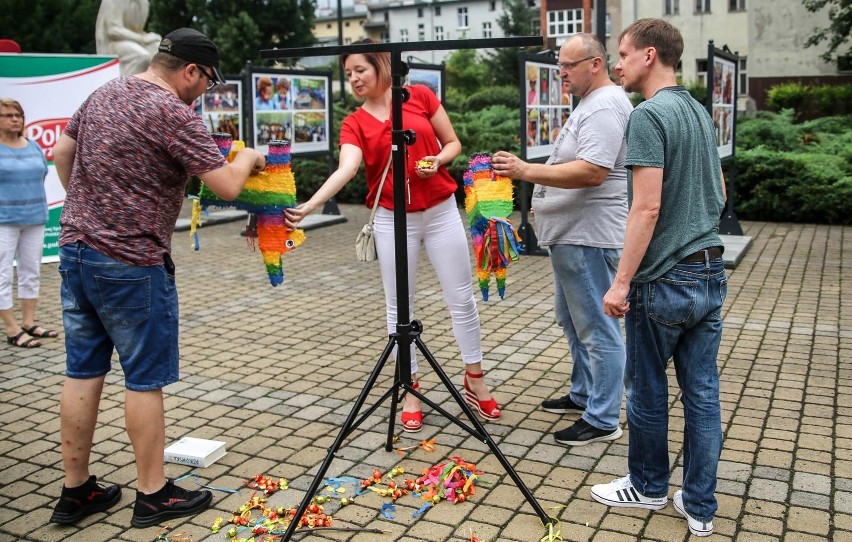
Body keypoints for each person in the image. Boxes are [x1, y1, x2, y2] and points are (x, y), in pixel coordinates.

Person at [50, 28, 266, 528]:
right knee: (144, 379)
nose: (203, 91)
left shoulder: (105, 92)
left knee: (82, 370)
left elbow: (63, 153)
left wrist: (91, 210)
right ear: (191, 70)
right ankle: (153, 494)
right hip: (130, 263)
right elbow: (228, 186)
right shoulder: (172, 112)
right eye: (207, 81)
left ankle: (76, 490)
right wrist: (249, 157)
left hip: (76, 251)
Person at [284, 39, 500, 432]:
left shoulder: (419, 96)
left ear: (381, 66)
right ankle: (410, 387)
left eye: (359, 71)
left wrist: (437, 160)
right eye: (348, 74)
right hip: (391, 218)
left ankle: (475, 376)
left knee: (461, 297)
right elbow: (346, 170)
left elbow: (453, 143)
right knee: (400, 307)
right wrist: (309, 206)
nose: (353, 79)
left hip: (439, 210)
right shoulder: (355, 123)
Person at [589, 19, 727, 539]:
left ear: (650, 55)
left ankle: (647, 487)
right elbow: (718, 191)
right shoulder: (695, 110)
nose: (616, 64)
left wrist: (621, 282)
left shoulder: (648, 116)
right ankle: (700, 507)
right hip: (710, 274)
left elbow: (645, 209)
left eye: (622, 54)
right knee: (703, 394)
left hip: (664, 281)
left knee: (646, 391)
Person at [492, 34, 631, 446]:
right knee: (572, 320)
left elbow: (593, 171)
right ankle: (584, 393)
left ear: (595, 63)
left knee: (597, 329)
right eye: (560, 65)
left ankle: (604, 418)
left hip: (589, 238)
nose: (562, 74)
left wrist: (525, 171)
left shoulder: (605, 105)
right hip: (573, 236)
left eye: (569, 66)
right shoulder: (592, 103)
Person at [0, 98, 55, 349]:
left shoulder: (33, 146)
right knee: (2, 275)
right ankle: (11, 327)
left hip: (34, 218)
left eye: (18, 115)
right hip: (4, 221)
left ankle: (29, 322)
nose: (15, 119)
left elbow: (41, 176)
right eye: (8, 115)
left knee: (30, 271)